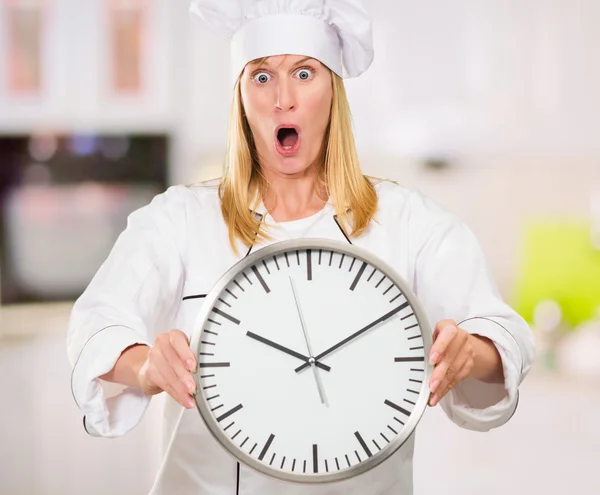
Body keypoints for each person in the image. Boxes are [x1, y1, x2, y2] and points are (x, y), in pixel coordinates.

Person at [66, 1, 535, 493]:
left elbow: (502, 333)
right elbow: (97, 323)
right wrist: (145, 365)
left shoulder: (410, 222)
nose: (282, 99)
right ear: (241, 98)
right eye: (262, 77)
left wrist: (469, 352)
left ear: (333, 91)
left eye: (304, 73)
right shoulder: (179, 219)